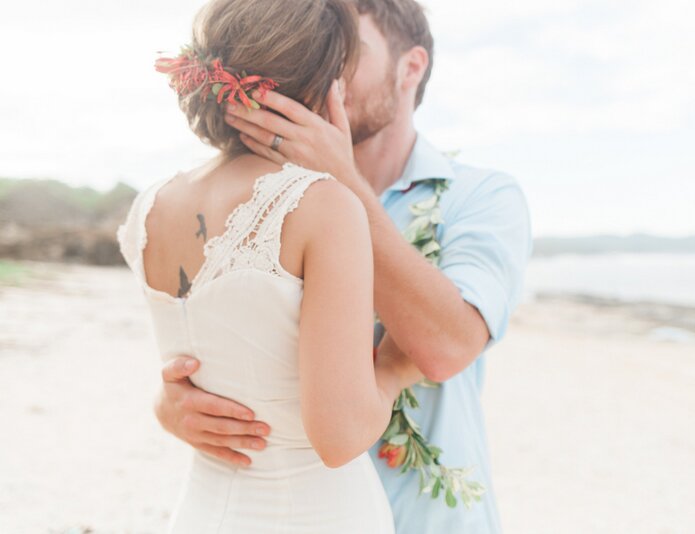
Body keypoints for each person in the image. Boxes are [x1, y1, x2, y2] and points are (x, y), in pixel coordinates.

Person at [155, 0, 533, 532]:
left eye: (350, 50)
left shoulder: (481, 196)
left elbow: (448, 349)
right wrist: (174, 405)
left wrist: (346, 184)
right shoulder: (261, 203)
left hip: (428, 517)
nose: (329, 65)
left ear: (411, 68)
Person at [116, 0, 425, 532]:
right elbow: (340, 436)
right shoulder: (321, 206)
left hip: (200, 510)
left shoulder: (151, 206)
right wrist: (398, 366)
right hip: (316, 514)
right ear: (326, 88)